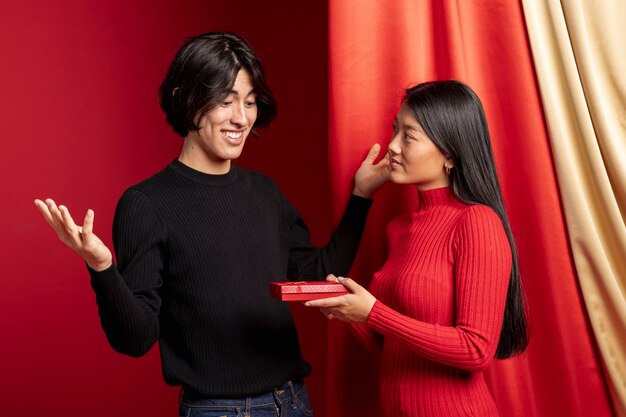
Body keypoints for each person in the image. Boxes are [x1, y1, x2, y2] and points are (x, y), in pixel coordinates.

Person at [34, 32, 390, 417]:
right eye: (225, 101)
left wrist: (361, 197)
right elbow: (135, 340)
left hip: (293, 401)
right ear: (184, 100)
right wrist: (102, 268)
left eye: (250, 102)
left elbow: (318, 277)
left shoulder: (265, 192)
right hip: (218, 410)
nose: (241, 117)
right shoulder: (147, 204)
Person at [305, 80, 529, 417]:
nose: (392, 146)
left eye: (408, 136)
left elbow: (476, 349)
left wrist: (373, 312)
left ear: (450, 155)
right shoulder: (399, 229)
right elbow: (391, 344)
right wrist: (346, 309)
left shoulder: (476, 222)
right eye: (395, 131)